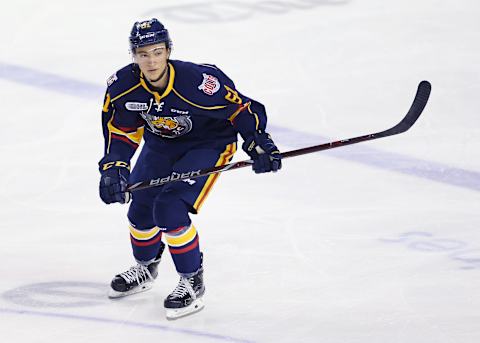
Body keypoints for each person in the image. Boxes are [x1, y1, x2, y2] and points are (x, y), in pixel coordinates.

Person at [98, 18, 282, 319]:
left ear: (168, 50)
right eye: (143, 54)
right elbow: (120, 130)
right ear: (133, 55)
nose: (151, 60)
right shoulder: (123, 87)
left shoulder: (196, 82)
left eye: (157, 51)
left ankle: (192, 280)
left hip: (207, 144)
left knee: (169, 206)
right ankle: (146, 268)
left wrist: (257, 141)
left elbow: (242, 109)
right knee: (141, 209)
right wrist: (114, 165)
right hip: (161, 145)